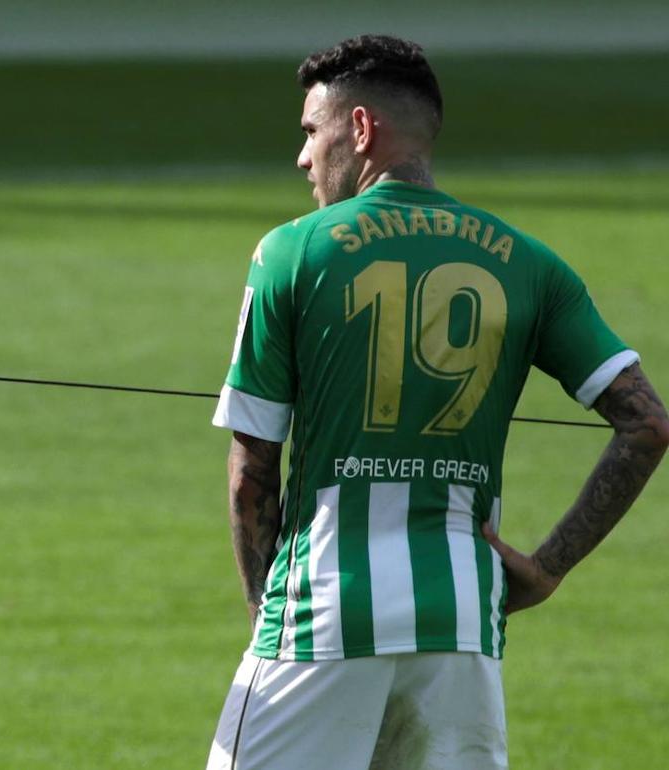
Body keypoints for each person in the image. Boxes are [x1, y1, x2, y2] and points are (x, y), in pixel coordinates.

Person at [205, 35, 669, 769]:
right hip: (461, 626)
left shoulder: (292, 252)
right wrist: (549, 566)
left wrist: (269, 614)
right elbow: (646, 425)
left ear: (360, 130)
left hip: (323, 617)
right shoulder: (528, 261)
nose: (302, 157)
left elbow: (250, 470)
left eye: (310, 132)